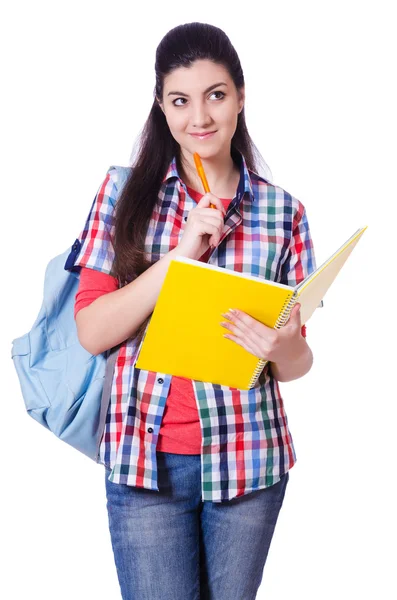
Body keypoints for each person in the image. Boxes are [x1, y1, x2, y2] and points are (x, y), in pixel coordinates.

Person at [66, 21, 317, 600]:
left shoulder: (283, 214)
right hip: (144, 464)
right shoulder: (123, 193)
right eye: (181, 100)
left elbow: (297, 362)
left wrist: (282, 348)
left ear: (240, 96)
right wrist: (178, 259)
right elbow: (91, 331)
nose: (199, 117)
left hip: (249, 462)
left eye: (216, 95)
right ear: (161, 105)